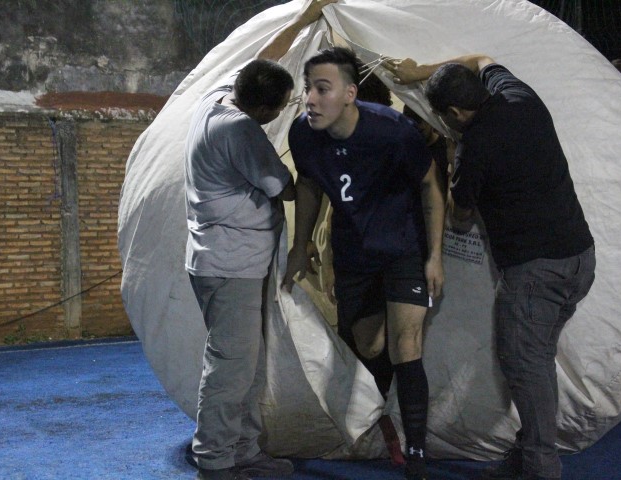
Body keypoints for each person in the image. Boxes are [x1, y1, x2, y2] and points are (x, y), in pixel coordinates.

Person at [384, 54, 596, 480]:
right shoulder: (519, 95)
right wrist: (419, 72)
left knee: (526, 367)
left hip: (535, 272)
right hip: (579, 258)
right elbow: (482, 57)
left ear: (455, 113)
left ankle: (540, 468)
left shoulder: (475, 145)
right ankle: (525, 456)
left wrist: (450, 158)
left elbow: (461, 217)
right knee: (537, 361)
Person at [184, 2, 336, 480]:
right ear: (266, 109)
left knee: (245, 364)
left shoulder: (217, 100)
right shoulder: (241, 131)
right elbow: (283, 187)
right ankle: (215, 458)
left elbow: (260, 59)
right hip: (232, 266)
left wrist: (305, 17)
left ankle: (243, 448)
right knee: (231, 366)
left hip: (222, 262)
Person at [282, 47, 446, 480]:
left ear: (350, 94)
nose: (310, 99)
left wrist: (434, 255)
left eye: (322, 89)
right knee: (370, 345)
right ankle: (378, 418)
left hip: (403, 250)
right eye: (308, 89)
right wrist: (301, 243)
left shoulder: (392, 131)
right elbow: (309, 184)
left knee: (406, 344)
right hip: (355, 253)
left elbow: (430, 186)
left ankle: (416, 451)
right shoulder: (303, 135)